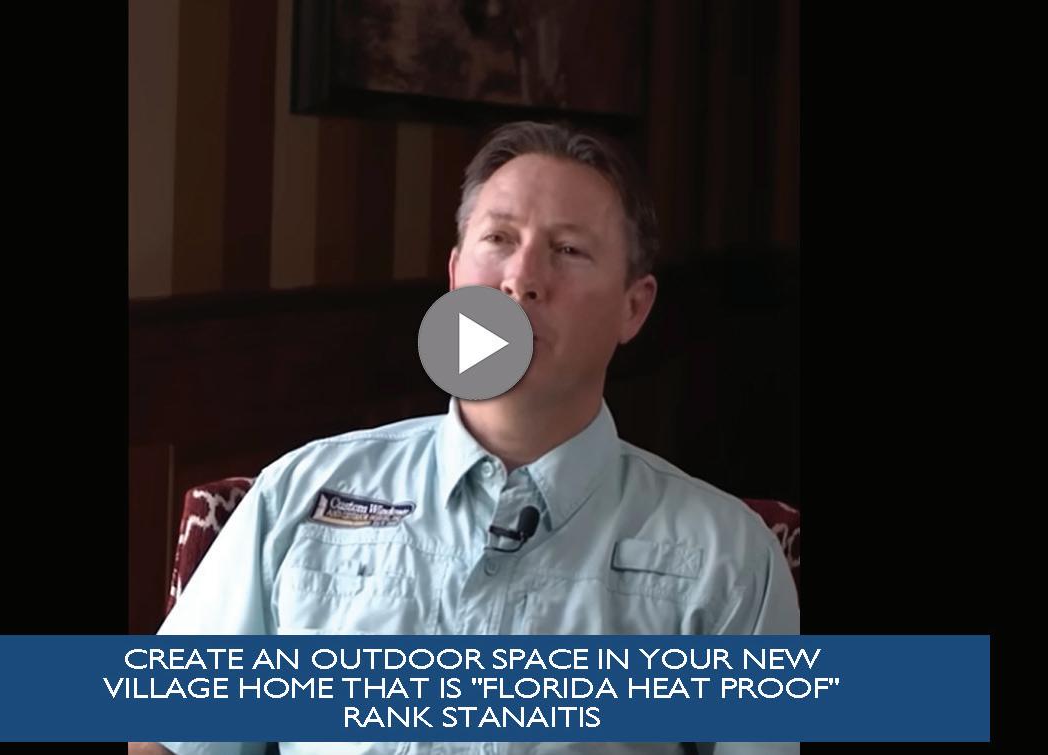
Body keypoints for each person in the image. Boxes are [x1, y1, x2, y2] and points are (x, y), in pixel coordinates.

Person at [132, 121, 799, 755]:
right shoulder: (299, 495)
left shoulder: (727, 555)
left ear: (635, 306)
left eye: (568, 249)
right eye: (499, 238)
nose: (522, 279)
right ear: (455, 277)